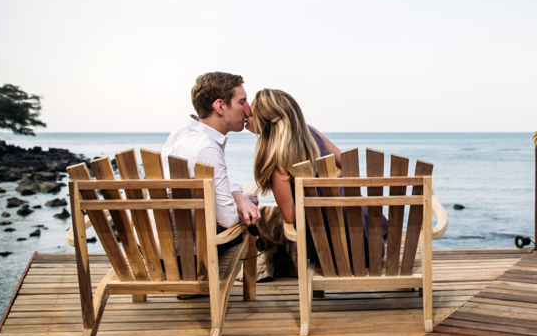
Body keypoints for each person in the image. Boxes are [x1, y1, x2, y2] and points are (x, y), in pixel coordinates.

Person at [246, 88, 385, 278]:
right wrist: (327, 184)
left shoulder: (277, 159)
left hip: (333, 248)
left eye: (250, 114)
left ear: (266, 121)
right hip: (368, 240)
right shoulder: (311, 132)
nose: (246, 116)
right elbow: (348, 164)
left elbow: (291, 217)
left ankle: (270, 268)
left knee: (265, 219)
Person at [162, 72, 261, 253]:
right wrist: (244, 202)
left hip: (156, 244)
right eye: (242, 102)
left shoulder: (181, 133)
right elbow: (228, 219)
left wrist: (238, 196)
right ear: (220, 107)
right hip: (185, 251)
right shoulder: (208, 148)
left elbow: (218, 181)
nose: (248, 109)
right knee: (244, 228)